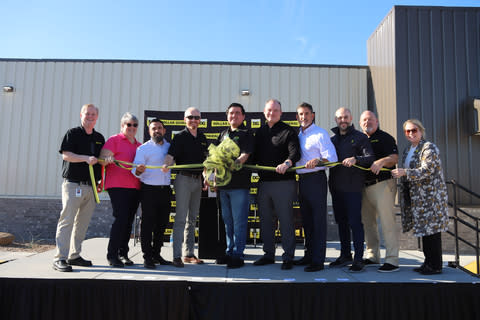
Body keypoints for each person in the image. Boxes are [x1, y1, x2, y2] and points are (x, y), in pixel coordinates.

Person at [392, 119, 449, 275]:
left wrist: (405, 172)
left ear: (421, 131)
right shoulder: (408, 150)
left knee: (432, 234)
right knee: (424, 232)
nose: (411, 133)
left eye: (414, 130)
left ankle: (435, 266)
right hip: (417, 199)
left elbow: (428, 169)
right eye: (408, 131)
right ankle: (427, 263)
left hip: (430, 199)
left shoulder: (428, 147)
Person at [53, 104, 105, 272]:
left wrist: (100, 181)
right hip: (73, 184)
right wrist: (85, 158)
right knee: (67, 220)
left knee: (82, 223)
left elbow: (100, 161)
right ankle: (60, 257)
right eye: (87, 114)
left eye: (93, 114)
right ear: (81, 115)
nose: (90, 117)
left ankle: (74, 255)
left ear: (97, 117)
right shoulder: (73, 134)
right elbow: (66, 155)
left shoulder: (99, 138)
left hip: (91, 186)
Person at [252, 99, 301, 270]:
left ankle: (288, 256)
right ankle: (268, 254)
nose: (272, 113)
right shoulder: (259, 132)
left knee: (285, 221)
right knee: (265, 221)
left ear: (281, 113)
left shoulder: (289, 131)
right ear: (264, 112)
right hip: (264, 183)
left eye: (275, 110)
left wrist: (287, 163)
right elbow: (252, 156)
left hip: (283, 183)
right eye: (269, 110)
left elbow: (295, 153)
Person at [329, 107, 375, 272]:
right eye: (340, 117)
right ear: (336, 120)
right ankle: (345, 255)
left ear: (351, 118)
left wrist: (356, 159)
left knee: (355, 223)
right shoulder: (332, 140)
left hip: (353, 188)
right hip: (336, 187)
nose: (343, 120)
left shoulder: (360, 138)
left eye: (346, 117)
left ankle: (358, 259)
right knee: (341, 223)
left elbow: (370, 158)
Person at [294, 102, 338, 272]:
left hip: (316, 180)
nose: (303, 117)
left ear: (313, 115)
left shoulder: (320, 134)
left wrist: (319, 161)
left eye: (306, 113)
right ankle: (308, 255)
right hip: (302, 180)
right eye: (300, 114)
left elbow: (332, 160)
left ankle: (318, 260)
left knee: (318, 221)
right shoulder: (298, 135)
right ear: (297, 117)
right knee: (307, 221)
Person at [162, 107, 208, 267]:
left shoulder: (203, 137)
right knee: (181, 218)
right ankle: (176, 256)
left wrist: (206, 178)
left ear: (200, 120)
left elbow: (206, 162)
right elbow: (170, 156)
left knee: (193, 219)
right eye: (190, 117)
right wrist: (166, 164)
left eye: (196, 117)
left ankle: (189, 254)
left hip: (198, 181)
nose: (193, 120)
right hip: (183, 179)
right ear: (185, 119)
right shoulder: (180, 137)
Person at [359, 110, 400, 272]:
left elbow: (394, 159)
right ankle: (373, 255)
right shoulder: (360, 139)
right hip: (364, 186)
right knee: (368, 223)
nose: (367, 123)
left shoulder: (385, 137)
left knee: (387, 223)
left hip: (383, 184)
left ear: (377, 121)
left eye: (370, 120)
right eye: (364, 120)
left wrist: (382, 161)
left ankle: (392, 260)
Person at [100, 112, 141, 268]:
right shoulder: (114, 140)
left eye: (134, 125)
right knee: (121, 219)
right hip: (117, 186)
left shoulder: (139, 145)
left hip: (135, 187)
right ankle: (112, 255)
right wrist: (107, 159)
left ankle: (123, 254)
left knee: (128, 222)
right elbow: (103, 159)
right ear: (122, 125)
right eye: (128, 124)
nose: (131, 127)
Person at [215, 103, 254, 269]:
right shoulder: (222, 134)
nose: (234, 116)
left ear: (243, 116)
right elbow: (215, 157)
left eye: (237, 113)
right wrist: (214, 177)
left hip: (239, 185)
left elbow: (246, 154)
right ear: (227, 116)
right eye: (231, 113)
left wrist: (235, 162)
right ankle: (229, 251)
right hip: (223, 186)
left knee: (239, 222)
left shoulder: (247, 133)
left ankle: (238, 254)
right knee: (228, 221)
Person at [132, 119, 173, 269]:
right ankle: (147, 257)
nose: (157, 131)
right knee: (148, 225)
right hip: (149, 190)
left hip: (166, 190)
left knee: (162, 225)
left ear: (164, 131)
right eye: (154, 128)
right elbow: (135, 170)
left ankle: (156, 254)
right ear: (149, 132)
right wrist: (138, 170)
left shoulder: (170, 147)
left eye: (159, 128)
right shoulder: (143, 149)